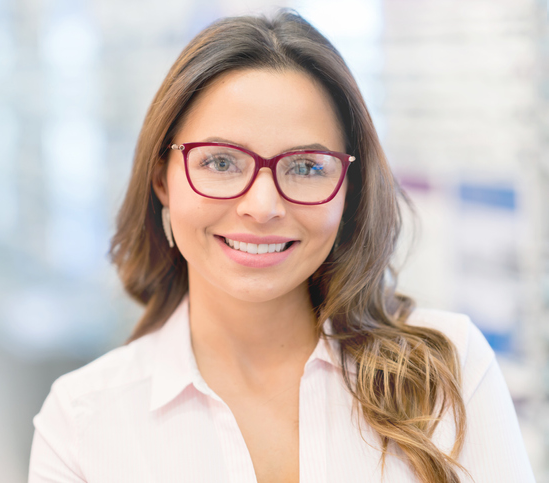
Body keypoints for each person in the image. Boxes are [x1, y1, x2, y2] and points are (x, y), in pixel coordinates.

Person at [28, 10, 535, 483]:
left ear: (349, 189)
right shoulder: (83, 422)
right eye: (221, 162)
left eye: (307, 167)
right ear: (163, 177)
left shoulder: (450, 371)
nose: (263, 205)